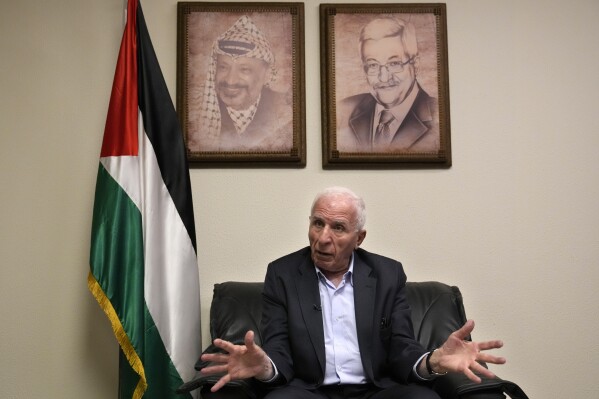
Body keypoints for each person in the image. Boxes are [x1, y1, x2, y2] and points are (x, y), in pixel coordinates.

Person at [200, 187, 506, 399]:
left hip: (376, 389)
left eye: (338, 228)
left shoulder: (387, 274)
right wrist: (264, 367)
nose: (322, 238)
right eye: (317, 223)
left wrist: (435, 360)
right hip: (308, 389)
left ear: (359, 238)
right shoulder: (282, 274)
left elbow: (402, 349)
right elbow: (279, 351)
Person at [188, 15, 293, 152]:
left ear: (266, 75)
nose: (230, 80)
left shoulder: (285, 111)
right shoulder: (198, 111)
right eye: (223, 67)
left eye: (245, 70)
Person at [337, 17, 440, 153]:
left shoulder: (439, 118)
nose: (384, 77)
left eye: (394, 63)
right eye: (373, 65)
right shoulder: (342, 111)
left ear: (415, 65)